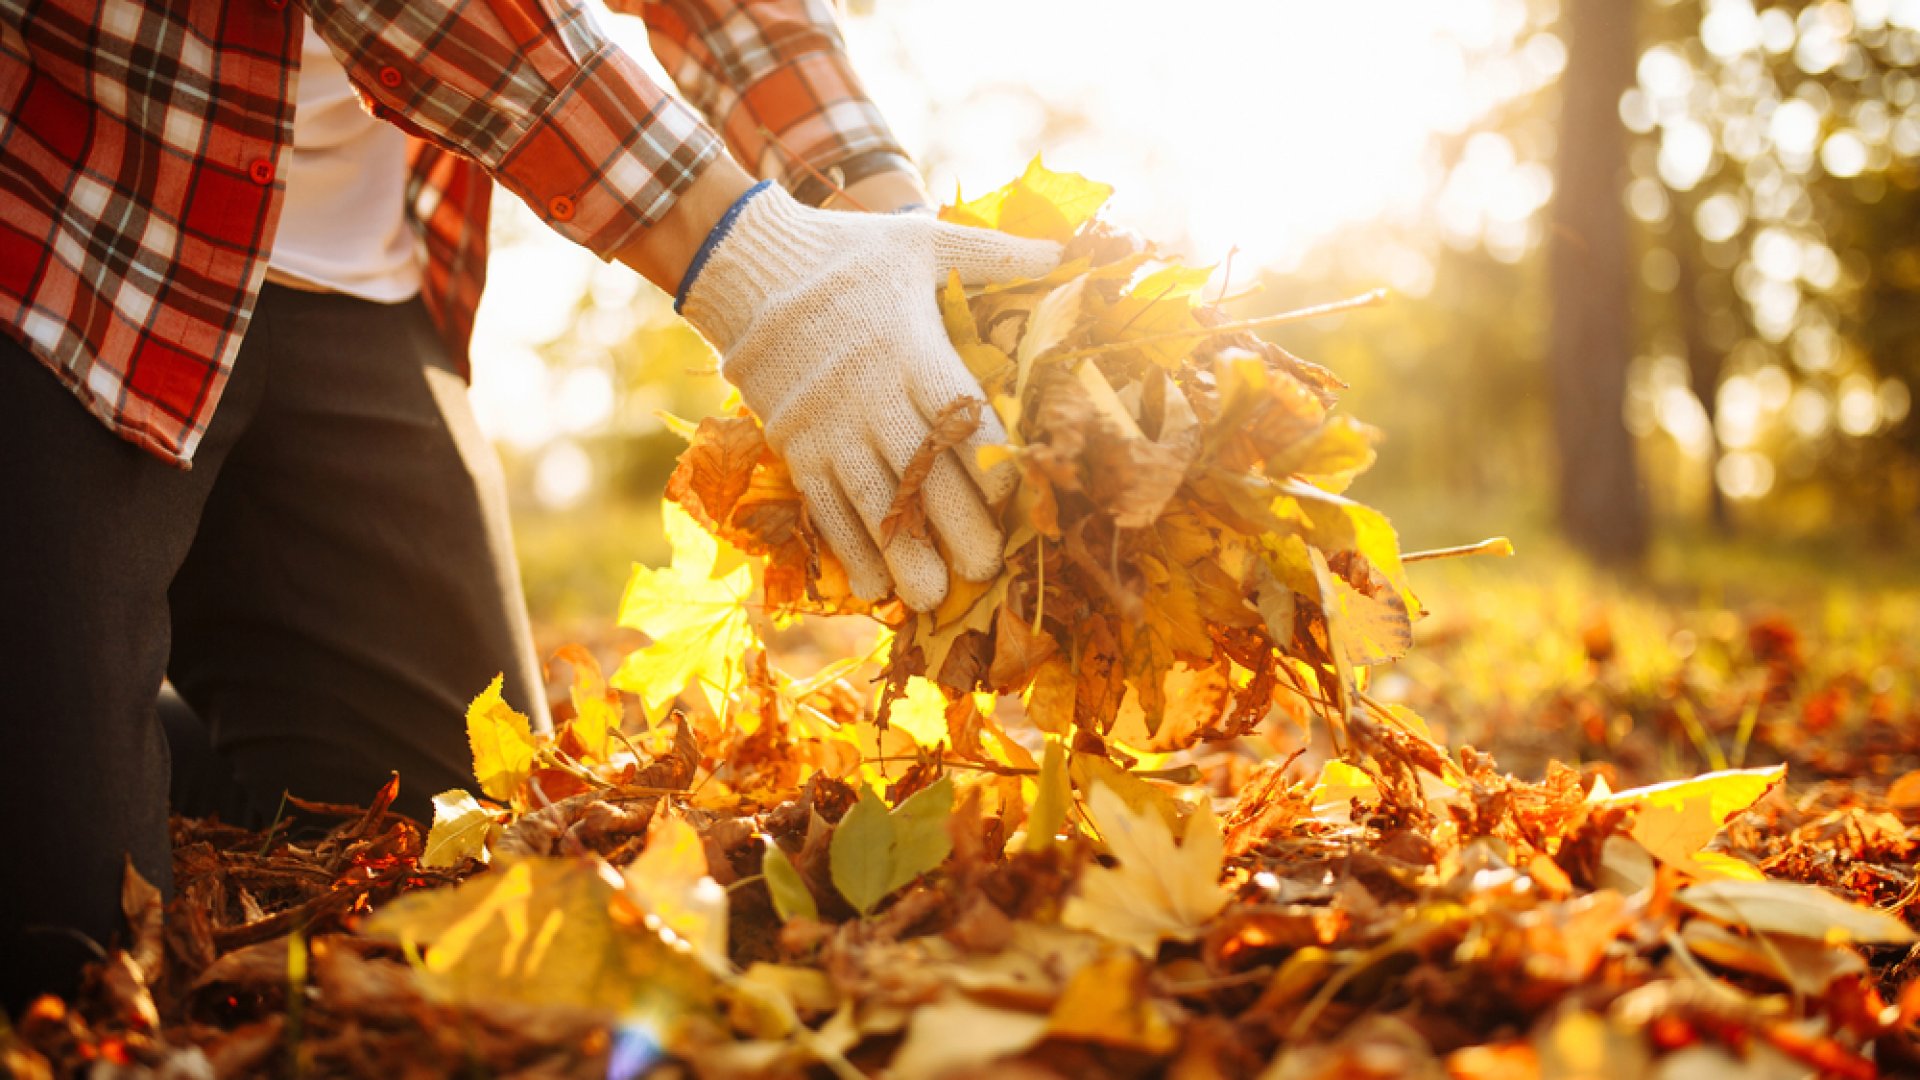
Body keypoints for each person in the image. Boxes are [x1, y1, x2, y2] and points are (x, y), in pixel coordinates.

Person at [0, 0, 1057, 1009]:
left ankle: (103, 721)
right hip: (65, 218)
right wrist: (745, 261)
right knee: (69, 953)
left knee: (440, 842)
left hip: (349, 281)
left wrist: (880, 218)